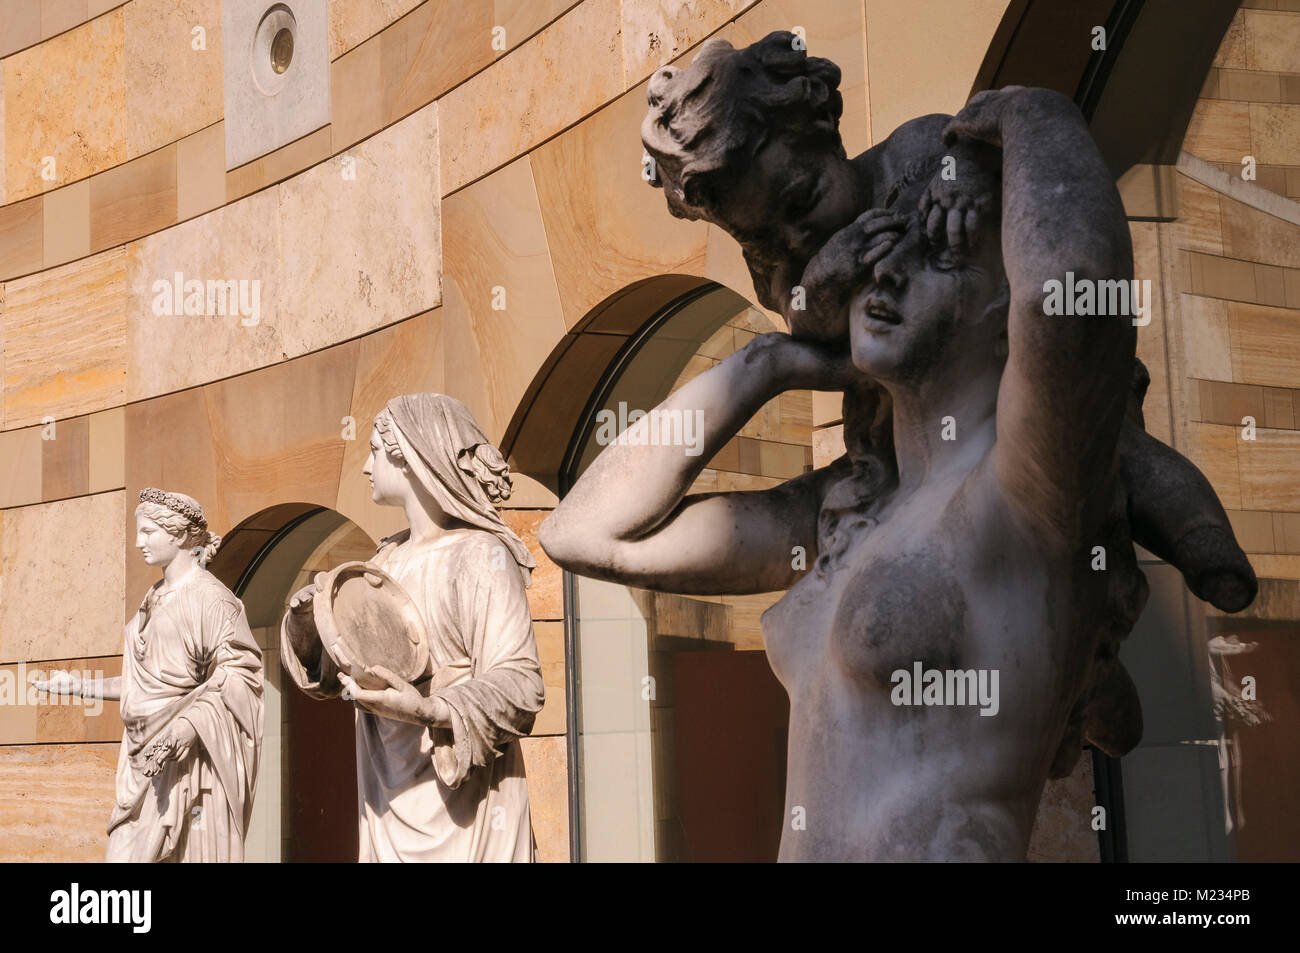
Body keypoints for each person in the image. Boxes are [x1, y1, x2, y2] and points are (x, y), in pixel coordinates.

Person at [543, 87, 1223, 860]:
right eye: (878, 257)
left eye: (938, 252)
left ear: (1008, 314)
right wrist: (768, 362)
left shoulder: (1026, 494)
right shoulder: (851, 514)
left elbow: (1070, 304)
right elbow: (583, 532)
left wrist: (1024, 111)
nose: (885, 277)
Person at [640, 31, 1256, 615]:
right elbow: (802, 314)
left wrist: (966, 180)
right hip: (916, 421)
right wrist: (826, 270)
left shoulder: (913, 151)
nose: (793, 235)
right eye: (765, 232)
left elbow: (980, 144)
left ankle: (1202, 542)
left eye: (800, 203)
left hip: (1011, 359)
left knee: (1117, 452)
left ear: (823, 130)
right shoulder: (786, 258)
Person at [281, 394, 544, 862]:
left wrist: (429, 710)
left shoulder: (480, 556)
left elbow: (522, 686)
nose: (364, 467)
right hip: (388, 800)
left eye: (376, 451)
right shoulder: (381, 565)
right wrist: (309, 622)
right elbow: (332, 675)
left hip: (465, 802)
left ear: (412, 458)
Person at [39, 488, 263, 862]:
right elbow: (141, 686)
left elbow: (240, 675)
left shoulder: (211, 600)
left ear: (177, 535)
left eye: (148, 532)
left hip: (188, 765)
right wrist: (78, 686)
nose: (138, 542)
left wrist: (190, 725)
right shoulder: (153, 596)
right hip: (140, 762)